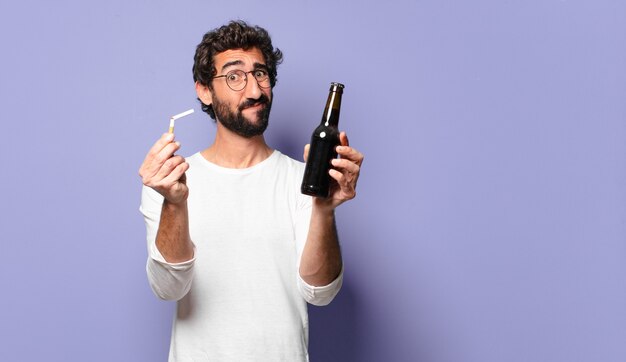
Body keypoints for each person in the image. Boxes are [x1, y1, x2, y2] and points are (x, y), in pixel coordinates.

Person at [138, 20, 363, 361]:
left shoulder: (302, 181)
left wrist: (324, 209)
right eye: (234, 76)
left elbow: (320, 293)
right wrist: (174, 204)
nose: (255, 91)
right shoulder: (170, 181)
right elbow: (168, 288)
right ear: (204, 90)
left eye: (260, 73)